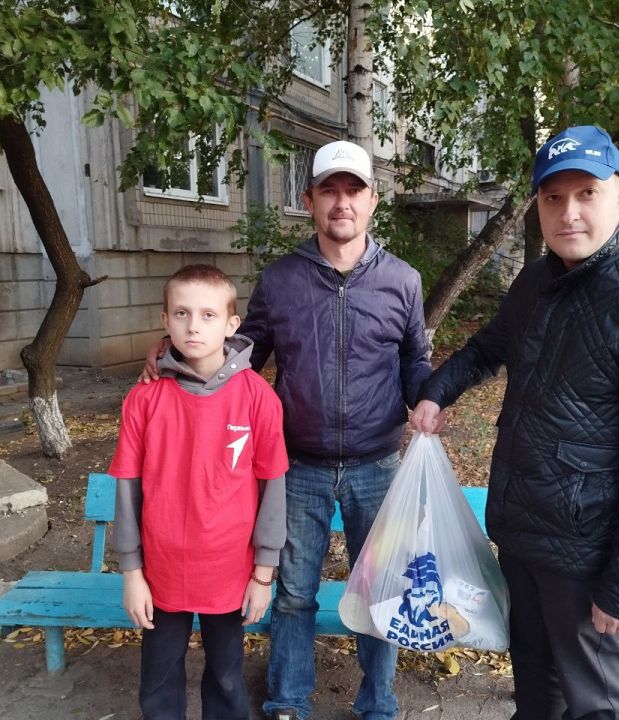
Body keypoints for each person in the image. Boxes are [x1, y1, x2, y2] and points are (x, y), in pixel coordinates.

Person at [411, 125, 619, 720]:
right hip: (522, 530)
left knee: (593, 700)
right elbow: (487, 348)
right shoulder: (536, 280)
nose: (568, 212)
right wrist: (436, 393)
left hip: (586, 552)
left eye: (586, 194)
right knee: (534, 684)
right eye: (553, 198)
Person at [142, 140, 433, 720]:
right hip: (297, 466)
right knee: (295, 593)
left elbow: (414, 361)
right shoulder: (281, 280)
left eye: (353, 191)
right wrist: (175, 353)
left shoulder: (403, 280)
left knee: (379, 591)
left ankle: (378, 702)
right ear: (309, 200)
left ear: (373, 201)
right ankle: (287, 701)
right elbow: (242, 353)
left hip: (377, 466)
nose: (342, 202)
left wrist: (429, 397)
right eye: (330, 190)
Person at [110, 264, 290, 720]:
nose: (194, 326)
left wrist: (263, 575)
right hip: (162, 571)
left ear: (231, 324)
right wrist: (132, 573)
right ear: (165, 320)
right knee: (158, 676)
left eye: (208, 315)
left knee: (227, 676)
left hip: (229, 570)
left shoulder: (258, 398)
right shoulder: (143, 399)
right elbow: (128, 488)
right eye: (182, 313)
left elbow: (273, 488)